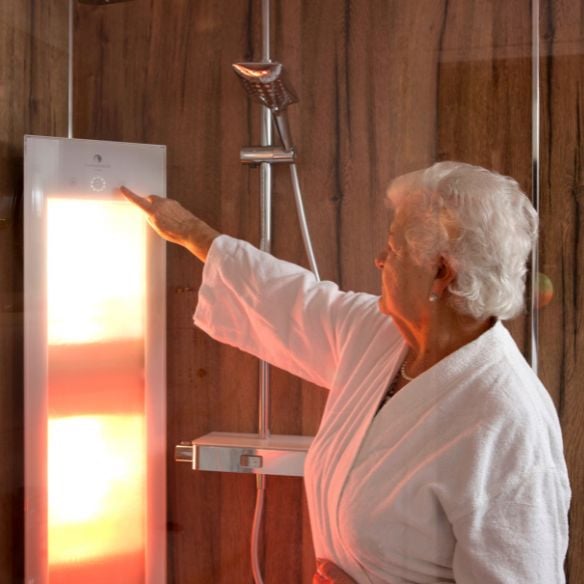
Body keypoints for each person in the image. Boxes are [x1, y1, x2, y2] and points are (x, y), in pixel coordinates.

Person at [120, 161, 571, 584]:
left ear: (440, 272)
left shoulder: (506, 419)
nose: (379, 259)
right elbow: (292, 300)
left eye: (393, 248)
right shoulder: (384, 336)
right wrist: (190, 232)